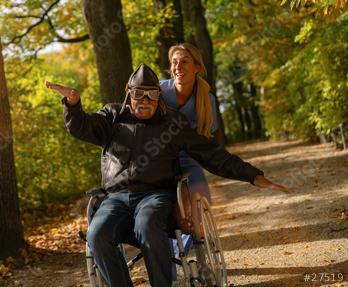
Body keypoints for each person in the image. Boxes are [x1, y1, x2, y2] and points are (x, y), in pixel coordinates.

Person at [45, 64, 292, 287]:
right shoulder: (111, 117)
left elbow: (212, 154)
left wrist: (253, 175)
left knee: (148, 223)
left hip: (155, 195)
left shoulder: (173, 123)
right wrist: (73, 105)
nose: (144, 100)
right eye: (138, 93)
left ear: (158, 95)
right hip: (115, 198)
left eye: (151, 94)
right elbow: (82, 127)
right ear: (128, 92)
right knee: (96, 235)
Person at [161, 43, 217, 204]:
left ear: (197, 67)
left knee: (199, 199)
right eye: (174, 61)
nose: (178, 66)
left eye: (185, 61)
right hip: (159, 157)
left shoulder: (207, 100)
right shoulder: (159, 91)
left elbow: (207, 134)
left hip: (189, 158)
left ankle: (199, 226)